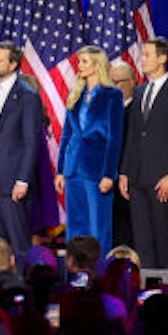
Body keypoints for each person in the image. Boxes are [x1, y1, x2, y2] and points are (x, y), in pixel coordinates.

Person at [119, 37, 168, 269]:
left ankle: (166, 287)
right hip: (137, 177)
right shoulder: (139, 92)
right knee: (142, 237)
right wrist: (125, 173)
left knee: (162, 234)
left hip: (161, 178)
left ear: (163, 58)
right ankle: (146, 286)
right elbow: (132, 136)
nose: (143, 59)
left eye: (148, 54)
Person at [0, 40, 45, 254]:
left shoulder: (27, 95)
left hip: (12, 177)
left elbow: (30, 141)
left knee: (17, 240)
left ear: (13, 65)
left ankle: (20, 284)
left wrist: (23, 180)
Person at [55, 45, 123, 247]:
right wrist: (60, 171)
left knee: (98, 228)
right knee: (76, 226)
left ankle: (99, 275)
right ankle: (76, 275)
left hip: (97, 171)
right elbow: (67, 135)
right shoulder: (75, 94)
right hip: (73, 169)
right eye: (79, 61)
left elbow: (114, 139)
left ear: (97, 65)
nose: (79, 66)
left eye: (84, 62)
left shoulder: (112, 95)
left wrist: (109, 174)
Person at [108, 59, 139, 250]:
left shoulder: (137, 110)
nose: (114, 87)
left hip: (130, 179)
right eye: (111, 82)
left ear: (131, 82)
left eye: (118, 82)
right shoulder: (111, 110)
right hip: (110, 178)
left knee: (129, 230)